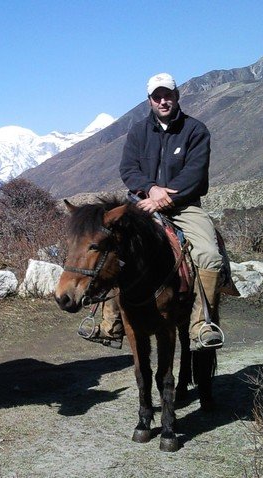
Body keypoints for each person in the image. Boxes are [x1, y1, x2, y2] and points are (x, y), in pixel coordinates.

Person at [84, 73, 224, 351]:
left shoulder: (195, 130)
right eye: (157, 96)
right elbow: (128, 169)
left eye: (167, 95)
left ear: (177, 96)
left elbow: (195, 174)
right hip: (141, 203)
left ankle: (201, 324)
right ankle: (110, 324)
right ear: (149, 100)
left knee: (208, 254)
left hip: (184, 206)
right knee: (115, 247)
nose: (163, 100)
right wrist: (149, 189)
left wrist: (163, 198)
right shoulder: (138, 131)